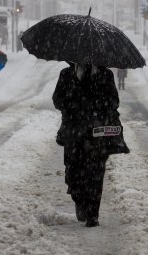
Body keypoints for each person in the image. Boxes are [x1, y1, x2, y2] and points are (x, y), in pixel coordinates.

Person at [52, 63, 128, 227]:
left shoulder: (105, 74)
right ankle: (79, 201)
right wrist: (73, 103)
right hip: (73, 133)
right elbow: (57, 100)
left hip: (97, 135)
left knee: (96, 172)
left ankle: (93, 214)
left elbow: (114, 101)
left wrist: (97, 106)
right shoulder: (66, 74)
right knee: (73, 171)